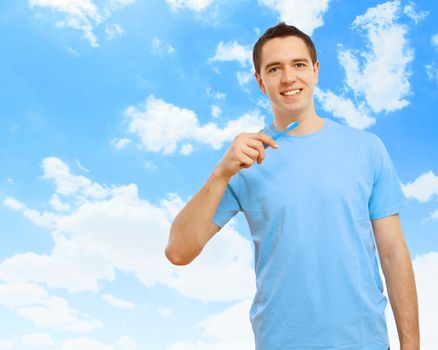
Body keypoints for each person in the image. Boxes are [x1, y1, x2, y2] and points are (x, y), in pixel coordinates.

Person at [165, 22, 419, 350]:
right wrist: (220, 174)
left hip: (363, 341)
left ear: (315, 71)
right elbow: (178, 251)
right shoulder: (244, 161)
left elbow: (393, 253)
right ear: (260, 81)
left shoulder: (367, 149)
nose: (288, 78)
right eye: (274, 69)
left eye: (298, 65)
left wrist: (411, 346)